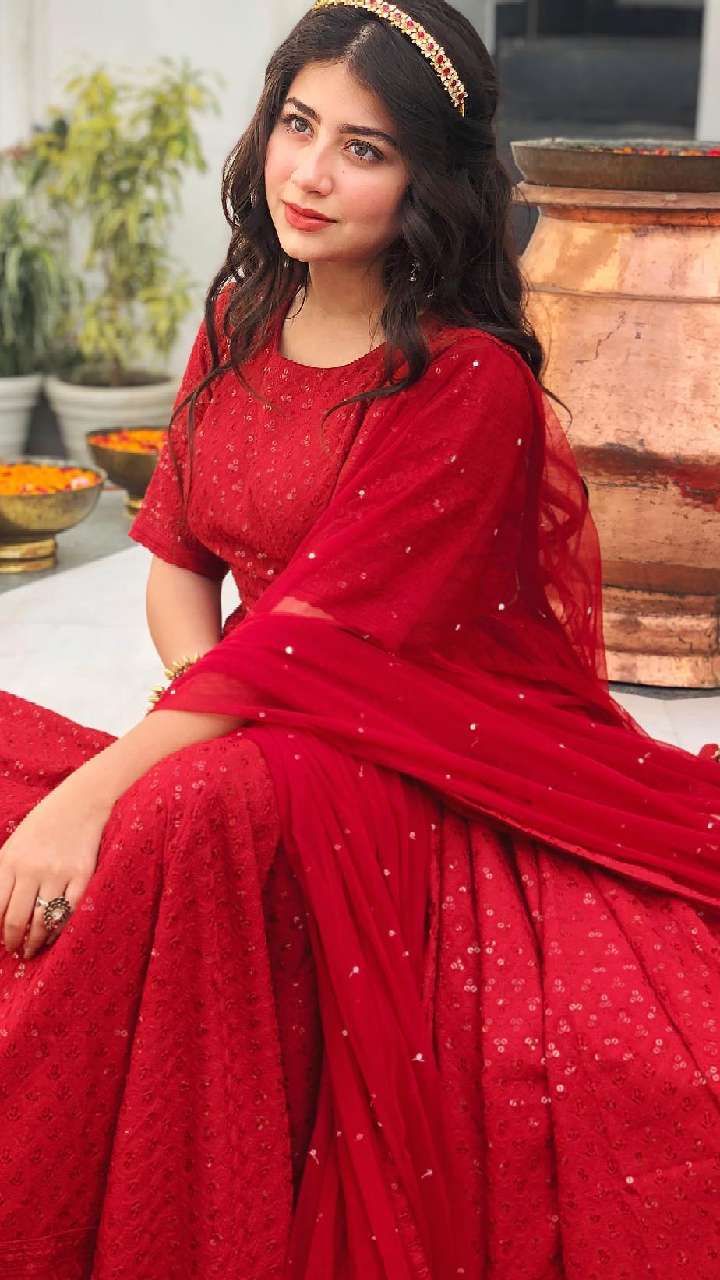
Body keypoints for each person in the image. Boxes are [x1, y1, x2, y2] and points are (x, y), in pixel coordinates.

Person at [1, 1, 719, 1276]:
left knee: (164, 815)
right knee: (134, 783)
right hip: (262, 710)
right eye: (298, 124)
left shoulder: (466, 381)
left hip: (414, 747)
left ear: (428, 180)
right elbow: (177, 563)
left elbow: (315, 640)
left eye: (365, 148)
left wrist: (115, 780)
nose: (313, 173)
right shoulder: (237, 320)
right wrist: (203, 711)